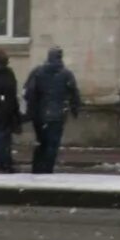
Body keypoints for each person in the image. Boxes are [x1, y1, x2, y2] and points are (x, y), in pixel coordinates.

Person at [24, 47, 82, 175]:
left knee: (41, 142)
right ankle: (47, 169)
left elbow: (29, 93)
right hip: (57, 115)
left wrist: (31, 111)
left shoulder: (37, 72)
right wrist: (75, 109)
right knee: (52, 145)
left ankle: (37, 169)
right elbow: (74, 93)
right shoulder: (66, 74)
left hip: (40, 116)